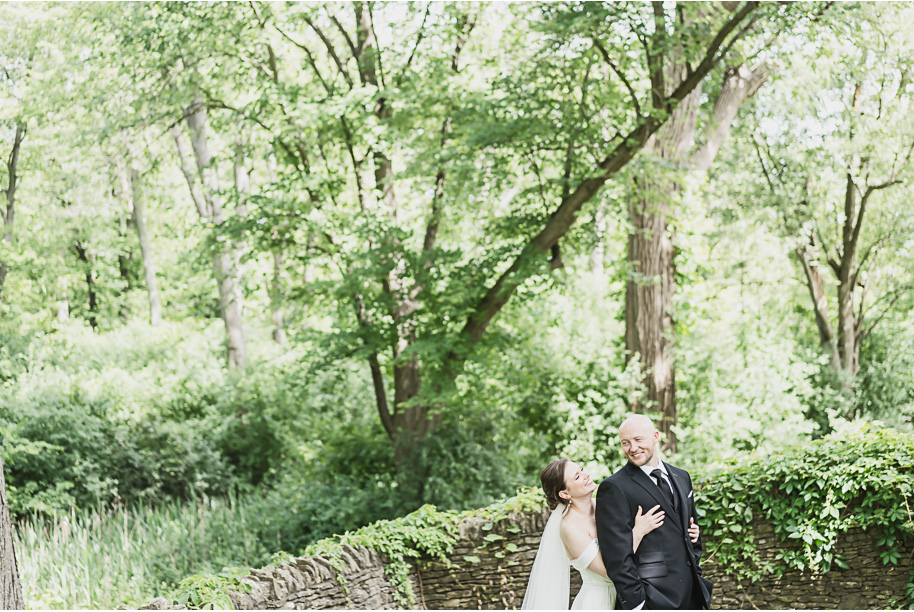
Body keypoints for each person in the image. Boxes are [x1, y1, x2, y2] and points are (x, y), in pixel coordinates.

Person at [521, 458, 699, 610]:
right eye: (577, 476)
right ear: (565, 493)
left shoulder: (605, 503)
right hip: (600, 601)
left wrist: (688, 533)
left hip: (632, 593)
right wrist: (638, 532)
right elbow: (610, 571)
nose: (586, 474)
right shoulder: (569, 527)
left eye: (581, 469)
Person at [596, 415, 712, 610]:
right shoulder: (614, 487)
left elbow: (691, 532)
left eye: (638, 439)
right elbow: (615, 556)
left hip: (692, 595)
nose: (632, 448)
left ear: (655, 436)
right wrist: (637, 603)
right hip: (653, 599)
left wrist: (696, 572)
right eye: (625, 442)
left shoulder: (682, 477)